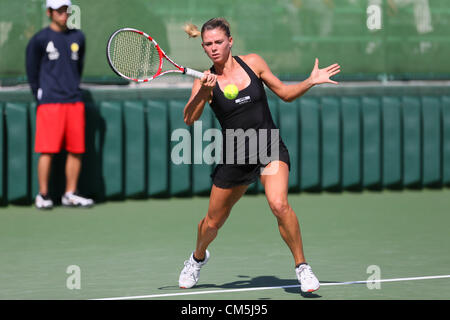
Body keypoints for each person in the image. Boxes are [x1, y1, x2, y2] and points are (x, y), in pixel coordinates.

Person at [179, 18, 340, 293]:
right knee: (212, 223)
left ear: (230, 41)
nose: (214, 48)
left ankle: (303, 267)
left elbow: (286, 94)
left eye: (219, 42)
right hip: (236, 155)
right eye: (208, 44)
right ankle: (197, 258)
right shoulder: (205, 81)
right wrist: (203, 93)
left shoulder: (253, 62)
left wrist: (311, 81)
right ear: (203, 48)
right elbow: (189, 119)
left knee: (279, 205)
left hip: (268, 146)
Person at [26, 0, 93, 209]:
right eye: (59, 11)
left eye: (66, 10)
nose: (63, 14)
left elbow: (78, 66)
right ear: (49, 13)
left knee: (76, 149)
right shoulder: (39, 39)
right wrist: (41, 94)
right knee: (47, 150)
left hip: (74, 101)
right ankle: (43, 195)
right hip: (50, 103)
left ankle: (70, 194)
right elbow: (32, 70)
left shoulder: (78, 37)